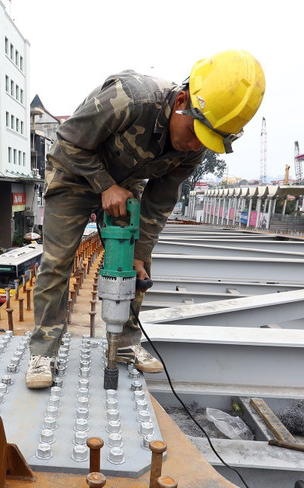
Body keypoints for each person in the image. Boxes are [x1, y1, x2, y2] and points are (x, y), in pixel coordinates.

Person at [26, 50, 266, 389]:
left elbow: (161, 200)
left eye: (207, 141)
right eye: (196, 132)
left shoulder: (195, 145)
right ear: (182, 100)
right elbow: (68, 141)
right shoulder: (130, 99)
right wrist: (105, 185)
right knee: (57, 262)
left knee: (138, 261)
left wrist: (139, 252)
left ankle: (125, 342)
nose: (195, 144)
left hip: (125, 185)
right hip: (73, 175)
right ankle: (44, 351)